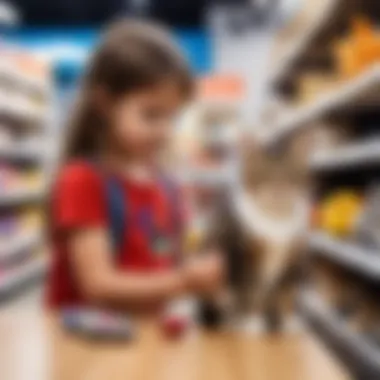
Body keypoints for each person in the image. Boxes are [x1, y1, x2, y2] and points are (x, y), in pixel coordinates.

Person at [46, 20, 223, 311]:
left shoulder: (165, 185)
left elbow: (165, 257)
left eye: (172, 117)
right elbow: (98, 284)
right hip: (86, 348)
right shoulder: (82, 180)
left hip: (145, 342)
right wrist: (183, 281)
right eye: (151, 115)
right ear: (104, 103)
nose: (164, 130)